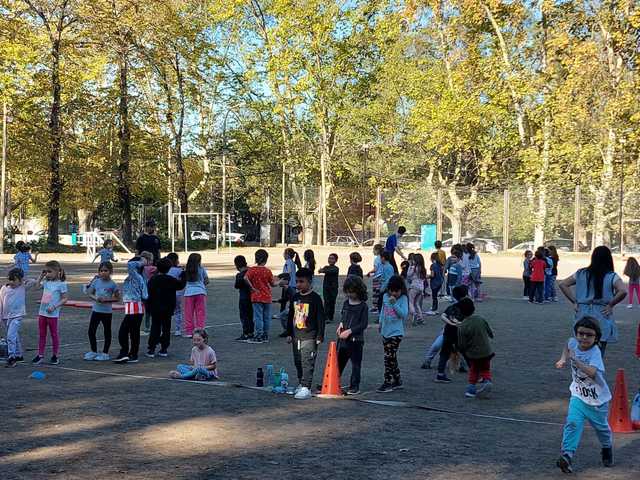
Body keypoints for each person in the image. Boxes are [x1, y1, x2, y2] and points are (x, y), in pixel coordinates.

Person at [555, 317, 613, 473]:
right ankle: (567, 455)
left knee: (602, 429)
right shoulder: (573, 342)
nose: (584, 338)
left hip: (597, 400)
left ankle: (607, 447)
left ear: (596, 338)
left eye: (589, 335)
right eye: (581, 333)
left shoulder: (595, 352)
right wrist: (563, 359)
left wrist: (576, 360)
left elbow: (593, 372)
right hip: (578, 396)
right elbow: (567, 345)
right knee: (572, 423)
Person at [559, 246, 627, 356]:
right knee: (598, 351)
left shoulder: (581, 273)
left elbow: (563, 284)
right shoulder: (611, 276)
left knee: (581, 346)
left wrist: (575, 301)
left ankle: (581, 371)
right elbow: (623, 291)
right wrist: (611, 304)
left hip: (583, 312)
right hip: (601, 313)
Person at [286, 267, 326, 400]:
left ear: (309, 282)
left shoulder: (315, 298)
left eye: (301, 282)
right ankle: (301, 382)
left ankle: (306, 387)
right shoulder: (295, 297)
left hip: (310, 336)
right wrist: (289, 333)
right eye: (296, 281)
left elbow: (321, 318)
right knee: (297, 361)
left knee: (307, 361)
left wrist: (320, 335)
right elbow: (291, 315)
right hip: (296, 335)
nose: (298, 284)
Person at [146, 258, 187, 358]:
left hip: (155, 307)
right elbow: (181, 285)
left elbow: (148, 292)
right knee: (166, 328)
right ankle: (164, 349)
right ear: (169, 269)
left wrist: (148, 307)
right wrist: (184, 274)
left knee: (155, 327)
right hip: (168, 308)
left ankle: (151, 349)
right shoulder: (171, 279)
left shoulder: (153, 279)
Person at [422, 285, 469, 370]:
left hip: (460, 332)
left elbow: (469, 319)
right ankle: (427, 361)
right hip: (448, 332)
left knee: (461, 350)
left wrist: (456, 323)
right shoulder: (453, 307)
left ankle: (463, 365)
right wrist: (451, 323)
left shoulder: (467, 307)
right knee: (437, 345)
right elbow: (443, 316)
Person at [336, 275, 369, 395]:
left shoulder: (363, 306)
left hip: (356, 341)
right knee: (339, 362)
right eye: (348, 292)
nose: (350, 294)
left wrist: (349, 331)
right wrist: (340, 325)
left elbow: (363, 324)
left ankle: (354, 386)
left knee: (355, 364)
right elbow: (343, 316)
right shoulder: (346, 303)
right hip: (343, 340)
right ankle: (333, 381)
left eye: (352, 292)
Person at [376, 275, 409, 393]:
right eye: (392, 290)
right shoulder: (385, 296)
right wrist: (380, 323)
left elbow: (404, 315)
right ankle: (398, 380)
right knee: (392, 357)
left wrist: (395, 304)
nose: (394, 293)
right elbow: (383, 311)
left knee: (388, 357)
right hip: (386, 331)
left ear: (401, 290)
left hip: (396, 333)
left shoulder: (403, 299)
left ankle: (388, 381)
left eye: (397, 291)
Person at [32, 261, 68, 365]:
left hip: (53, 314)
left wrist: (54, 306)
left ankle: (55, 355)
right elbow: (36, 287)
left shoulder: (61, 284)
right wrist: (41, 276)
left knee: (54, 334)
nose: (47, 274)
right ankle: (40, 355)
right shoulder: (46, 282)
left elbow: (65, 298)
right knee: (42, 334)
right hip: (42, 312)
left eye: (49, 271)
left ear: (57, 272)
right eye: (46, 271)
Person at [82, 262, 120, 361]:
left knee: (107, 332)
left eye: (106, 270)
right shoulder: (96, 282)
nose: (103, 272)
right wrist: (96, 298)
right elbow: (90, 293)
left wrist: (107, 300)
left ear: (110, 271)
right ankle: (93, 351)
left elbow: (117, 298)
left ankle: (105, 353)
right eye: (101, 270)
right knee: (91, 331)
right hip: (96, 310)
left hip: (107, 312)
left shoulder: (113, 284)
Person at [113, 258, 148, 363]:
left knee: (124, 332)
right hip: (133, 307)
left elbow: (130, 265)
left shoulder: (136, 276)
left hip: (135, 307)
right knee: (133, 332)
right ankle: (132, 354)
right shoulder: (138, 278)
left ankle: (125, 352)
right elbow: (145, 295)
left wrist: (142, 261)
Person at [246, 249, 284, 344]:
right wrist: (280, 281)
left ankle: (259, 335)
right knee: (266, 317)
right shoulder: (267, 271)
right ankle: (265, 335)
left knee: (258, 317)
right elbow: (273, 284)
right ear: (266, 259)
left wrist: (252, 288)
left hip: (256, 296)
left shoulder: (252, 270)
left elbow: (245, 278)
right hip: (267, 296)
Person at [457, 300, 494, 398]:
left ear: (460, 312)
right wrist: (490, 336)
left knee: (474, 370)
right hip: (487, 351)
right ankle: (487, 381)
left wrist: (462, 351)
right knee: (485, 368)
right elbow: (489, 331)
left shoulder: (462, 326)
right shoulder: (480, 319)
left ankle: (471, 389)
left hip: (474, 354)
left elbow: (461, 344)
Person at [1, 268, 36, 367]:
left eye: (14, 280)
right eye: (10, 279)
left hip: (17, 316)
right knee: (14, 336)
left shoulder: (22, 287)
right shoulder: (4, 288)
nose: (11, 282)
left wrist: (23, 280)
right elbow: (1, 303)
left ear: (20, 280)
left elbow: (33, 281)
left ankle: (12, 357)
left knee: (10, 336)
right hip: (5, 317)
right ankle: (19, 355)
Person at [435, 297, 474, 383]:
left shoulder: (452, 307)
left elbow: (443, 316)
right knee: (467, 353)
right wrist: (456, 324)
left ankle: (440, 374)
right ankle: (475, 373)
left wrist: (450, 323)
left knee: (444, 353)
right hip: (458, 335)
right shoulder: (465, 310)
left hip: (448, 333)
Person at [182, 253, 209, 338]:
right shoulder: (201, 269)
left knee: (188, 313)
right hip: (200, 292)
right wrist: (202, 285)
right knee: (200, 313)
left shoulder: (186, 270)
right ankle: (200, 330)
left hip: (189, 292)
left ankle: (189, 331)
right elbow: (206, 280)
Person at [233, 255, 254, 341]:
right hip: (252, 297)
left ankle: (246, 333)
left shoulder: (240, 275)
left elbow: (236, 286)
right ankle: (252, 331)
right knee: (251, 315)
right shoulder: (251, 271)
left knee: (244, 316)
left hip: (244, 298)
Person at [166, 252, 185, 336]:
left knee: (167, 312)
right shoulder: (179, 270)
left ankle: (166, 329)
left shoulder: (166, 270)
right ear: (176, 260)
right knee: (178, 311)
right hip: (178, 293)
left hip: (168, 293)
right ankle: (178, 329)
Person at [139, 251, 157, 334]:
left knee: (146, 312)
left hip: (143, 292)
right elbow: (160, 268)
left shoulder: (140, 268)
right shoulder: (150, 268)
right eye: (151, 260)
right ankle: (153, 326)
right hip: (151, 291)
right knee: (152, 311)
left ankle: (146, 327)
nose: (152, 262)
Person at [319, 253, 339, 324]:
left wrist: (322, 270)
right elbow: (321, 270)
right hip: (326, 287)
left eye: (332, 258)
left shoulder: (336, 268)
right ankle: (326, 317)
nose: (330, 260)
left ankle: (330, 316)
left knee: (332, 302)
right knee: (326, 302)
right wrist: (321, 270)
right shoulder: (326, 267)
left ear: (336, 260)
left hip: (333, 288)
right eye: (329, 258)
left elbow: (329, 271)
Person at [407, 253, 427, 326]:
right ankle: (420, 318)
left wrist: (410, 266)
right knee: (417, 303)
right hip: (421, 288)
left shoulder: (413, 268)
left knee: (411, 302)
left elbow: (408, 275)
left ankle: (413, 313)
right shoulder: (423, 268)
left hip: (414, 286)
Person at [367, 244, 384, 313]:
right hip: (381, 276)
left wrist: (369, 273)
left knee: (375, 293)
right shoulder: (382, 258)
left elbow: (375, 269)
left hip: (377, 277)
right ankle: (377, 306)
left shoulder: (377, 259)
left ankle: (375, 307)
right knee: (378, 292)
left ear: (377, 250)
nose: (373, 251)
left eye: (373, 250)